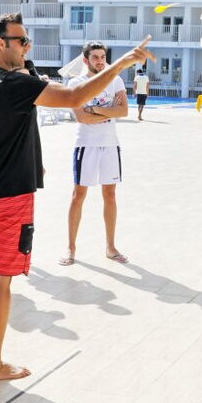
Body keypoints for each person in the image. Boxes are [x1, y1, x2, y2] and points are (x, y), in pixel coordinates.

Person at [0, 13, 154, 380]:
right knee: (0, 280)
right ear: (2, 44)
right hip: (13, 196)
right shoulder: (17, 85)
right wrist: (122, 62)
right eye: (22, 41)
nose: (28, 47)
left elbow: (10, 114)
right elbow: (75, 97)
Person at [60, 42, 128, 266]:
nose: (100, 61)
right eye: (95, 57)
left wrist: (95, 109)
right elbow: (82, 118)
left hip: (110, 145)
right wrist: (109, 111)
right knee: (78, 196)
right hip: (86, 145)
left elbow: (123, 111)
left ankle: (111, 247)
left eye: (103, 56)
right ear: (86, 60)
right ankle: (71, 248)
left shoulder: (115, 79)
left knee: (110, 195)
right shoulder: (76, 83)